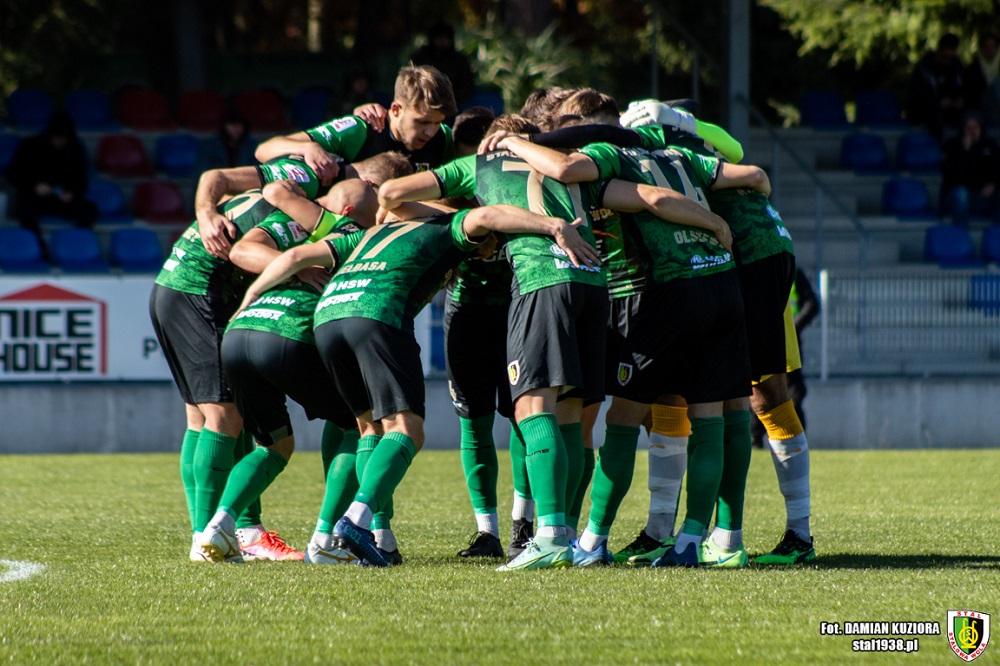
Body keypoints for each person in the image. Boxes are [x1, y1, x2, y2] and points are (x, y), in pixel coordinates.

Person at [236, 203, 598, 567]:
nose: (490, 254)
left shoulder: (369, 234)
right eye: (494, 247)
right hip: (377, 316)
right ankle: (355, 522)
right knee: (408, 430)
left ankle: (380, 537)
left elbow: (296, 255)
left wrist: (251, 296)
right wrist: (553, 225)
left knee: (369, 430)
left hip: (327, 319)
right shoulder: (444, 229)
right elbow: (485, 216)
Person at [197, 179, 380, 564]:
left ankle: (217, 527)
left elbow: (272, 204)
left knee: (273, 445)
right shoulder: (355, 236)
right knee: (357, 425)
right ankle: (326, 539)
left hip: (240, 332)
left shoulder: (296, 228)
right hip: (286, 335)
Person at [255, 65, 457, 177]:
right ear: (395, 109)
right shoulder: (361, 129)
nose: (430, 132)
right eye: (422, 122)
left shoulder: (444, 138)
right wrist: (308, 148)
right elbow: (264, 150)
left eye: (437, 122)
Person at [5, 111, 96, 252]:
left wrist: (72, 192)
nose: (60, 142)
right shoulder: (30, 146)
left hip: (61, 198)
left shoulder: (75, 150)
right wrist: (34, 186)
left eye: (64, 139)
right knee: (25, 211)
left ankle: (74, 247)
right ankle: (38, 249)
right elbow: (13, 174)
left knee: (89, 210)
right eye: (57, 138)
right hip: (33, 196)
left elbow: (81, 179)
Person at [753, 268, 820, 447]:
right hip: (763, 339)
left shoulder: (793, 272)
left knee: (794, 394)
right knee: (758, 392)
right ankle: (755, 440)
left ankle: (797, 441)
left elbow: (812, 304)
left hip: (789, 343)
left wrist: (794, 327)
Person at [941, 112, 999, 226]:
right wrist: (965, 151)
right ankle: (961, 233)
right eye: (968, 127)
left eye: (975, 127)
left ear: (981, 128)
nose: (972, 131)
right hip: (957, 196)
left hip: (982, 197)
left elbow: (997, 169)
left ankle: (996, 233)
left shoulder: (990, 145)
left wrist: (993, 184)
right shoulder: (953, 145)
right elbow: (951, 176)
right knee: (961, 193)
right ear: (963, 129)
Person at [907, 33, 966, 137]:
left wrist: (958, 100)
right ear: (940, 49)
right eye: (946, 55)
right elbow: (917, 95)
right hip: (926, 110)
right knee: (934, 116)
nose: (948, 59)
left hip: (951, 110)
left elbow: (961, 88)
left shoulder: (956, 65)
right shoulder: (924, 66)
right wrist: (938, 102)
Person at [411, 21, 475, 107]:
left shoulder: (459, 60)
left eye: (445, 38)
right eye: (439, 38)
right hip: (425, 103)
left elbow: (467, 85)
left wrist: (449, 98)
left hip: (454, 104)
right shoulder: (421, 57)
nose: (442, 42)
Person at [965, 33, 1000, 112]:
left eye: (992, 46)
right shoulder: (973, 67)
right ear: (982, 48)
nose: (989, 50)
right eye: (986, 47)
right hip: (979, 107)